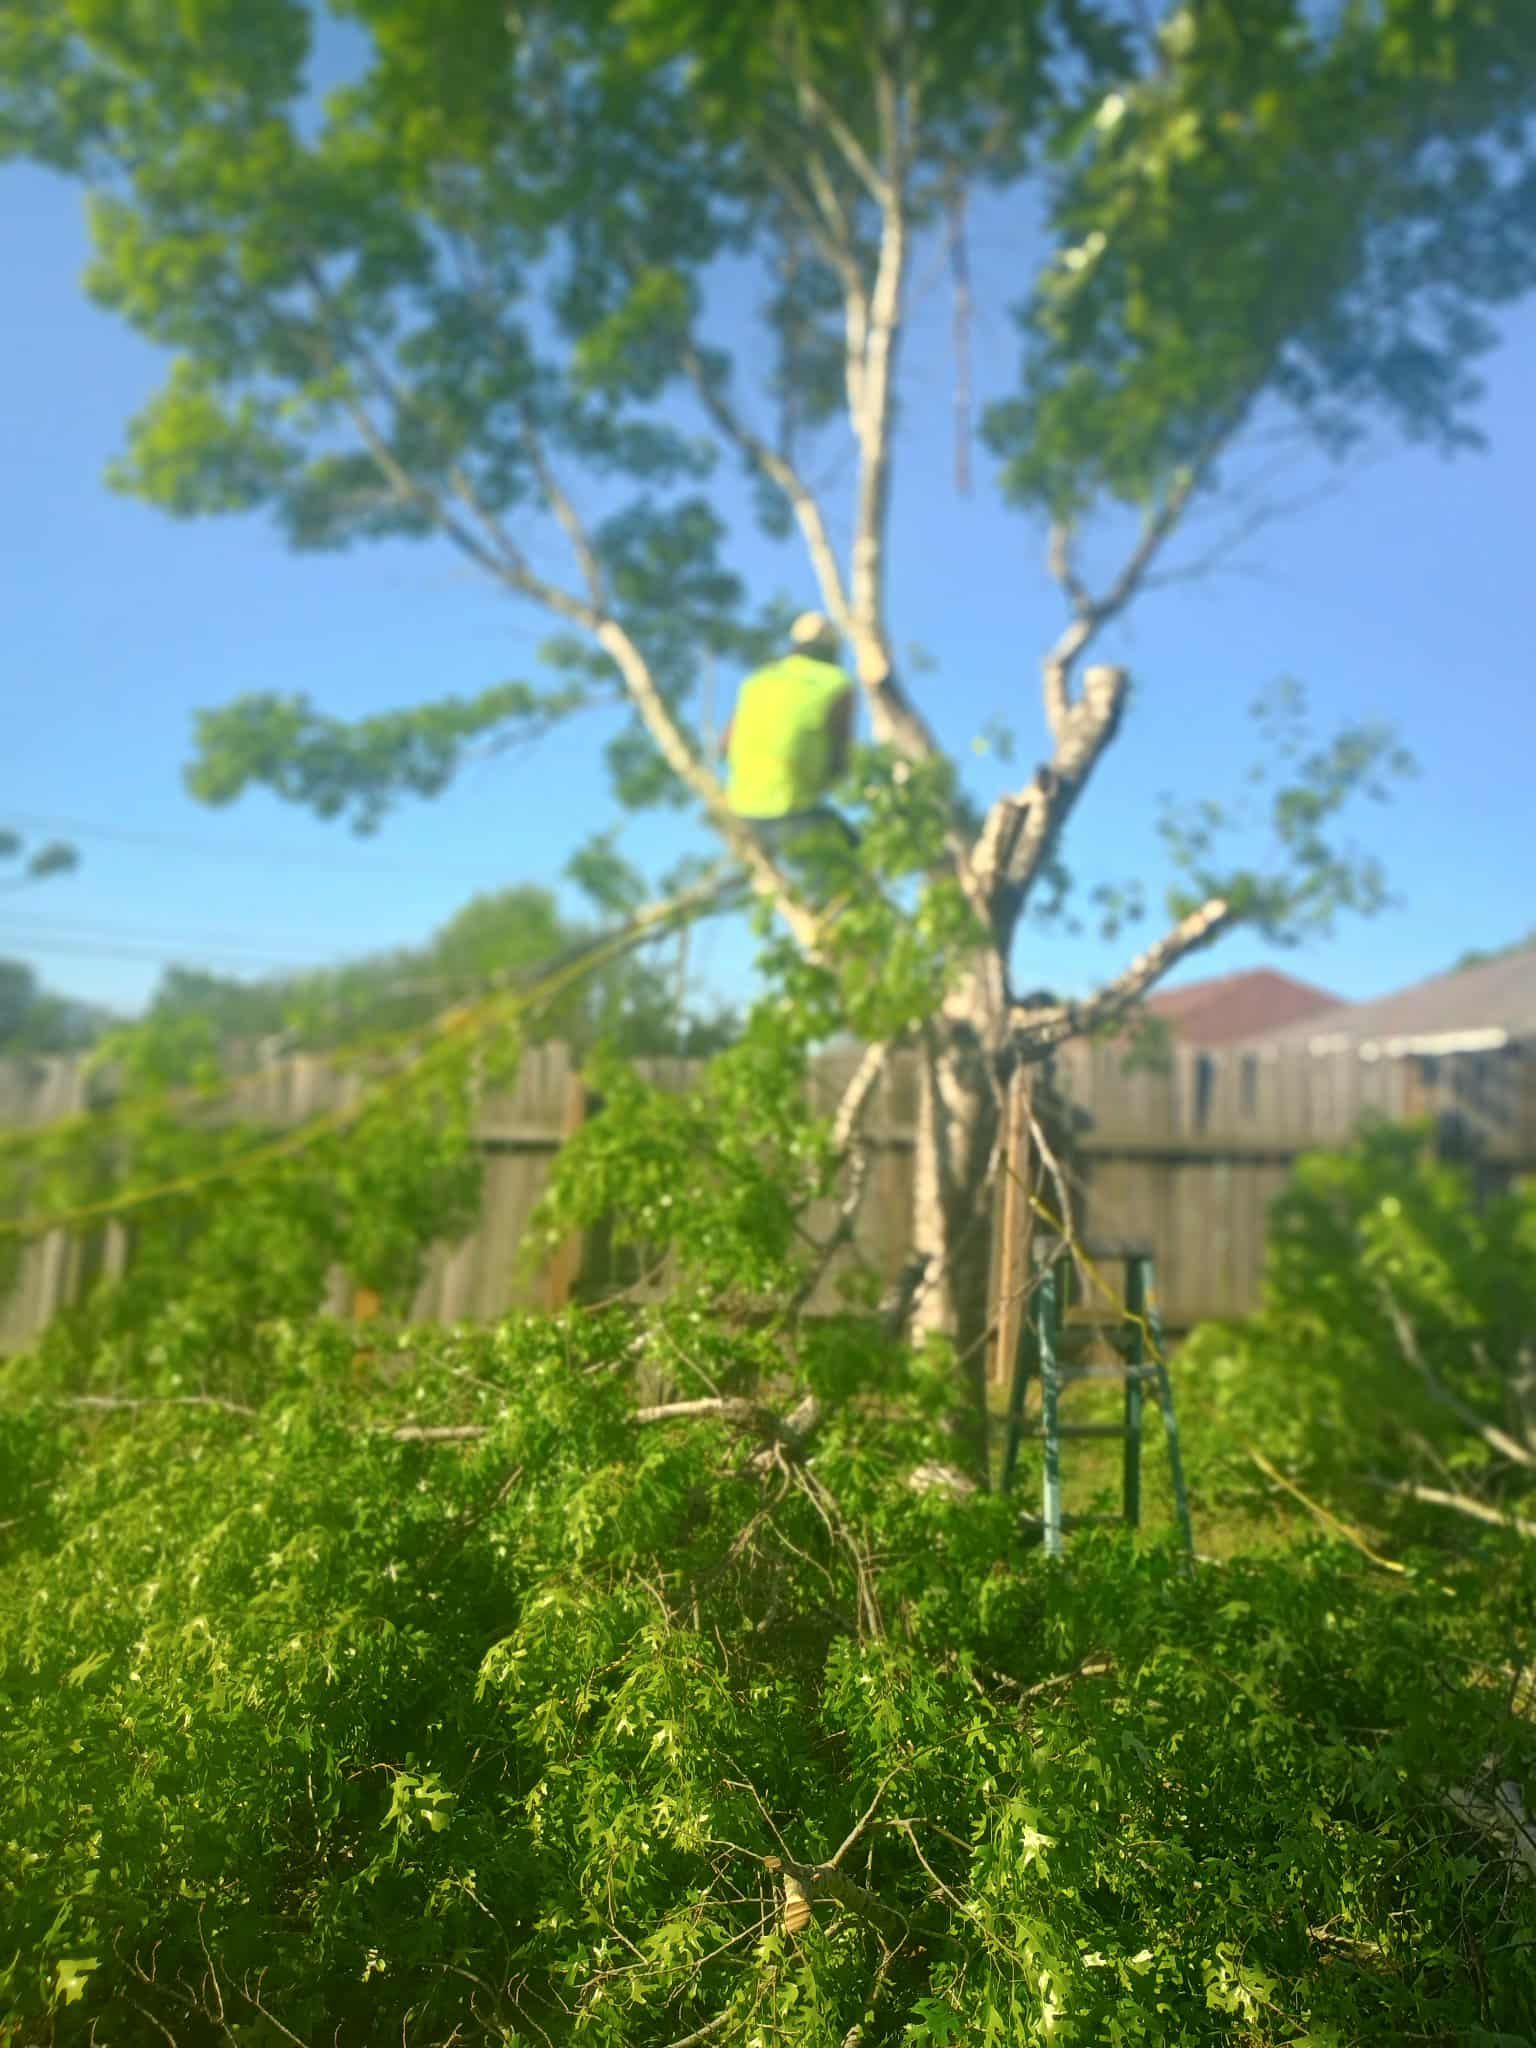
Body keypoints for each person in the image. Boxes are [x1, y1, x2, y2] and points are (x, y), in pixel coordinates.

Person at [717, 613, 860, 899]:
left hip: (739, 814)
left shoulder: (756, 682)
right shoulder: (837, 683)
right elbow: (840, 765)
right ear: (832, 650)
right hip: (795, 814)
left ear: (794, 646)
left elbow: (723, 747)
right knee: (852, 872)